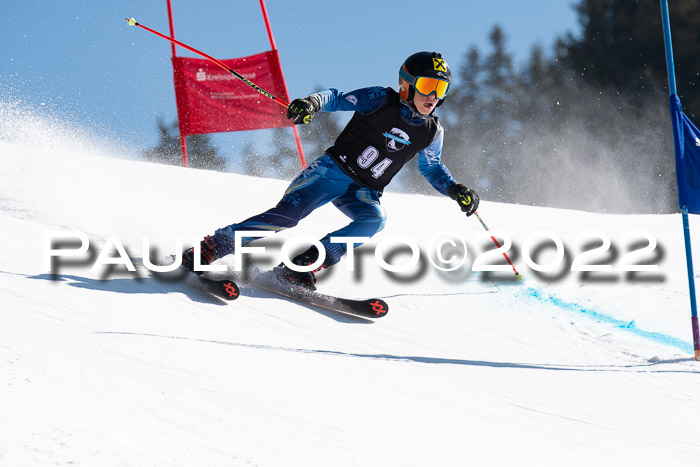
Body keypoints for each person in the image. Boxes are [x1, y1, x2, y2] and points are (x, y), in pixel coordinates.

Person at [182, 51, 480, 290]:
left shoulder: (431, 131)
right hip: (331, 172)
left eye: (441, 89)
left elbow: (432, 168)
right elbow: (336, 97)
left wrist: (455, 189)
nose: (433, 96)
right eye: (428, 86)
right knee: (288, 217)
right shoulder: (380, 99)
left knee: (374, 220)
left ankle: (301, 266)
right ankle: (212, 246)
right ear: (407, 84)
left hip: (364, 191)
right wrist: (311, 103)